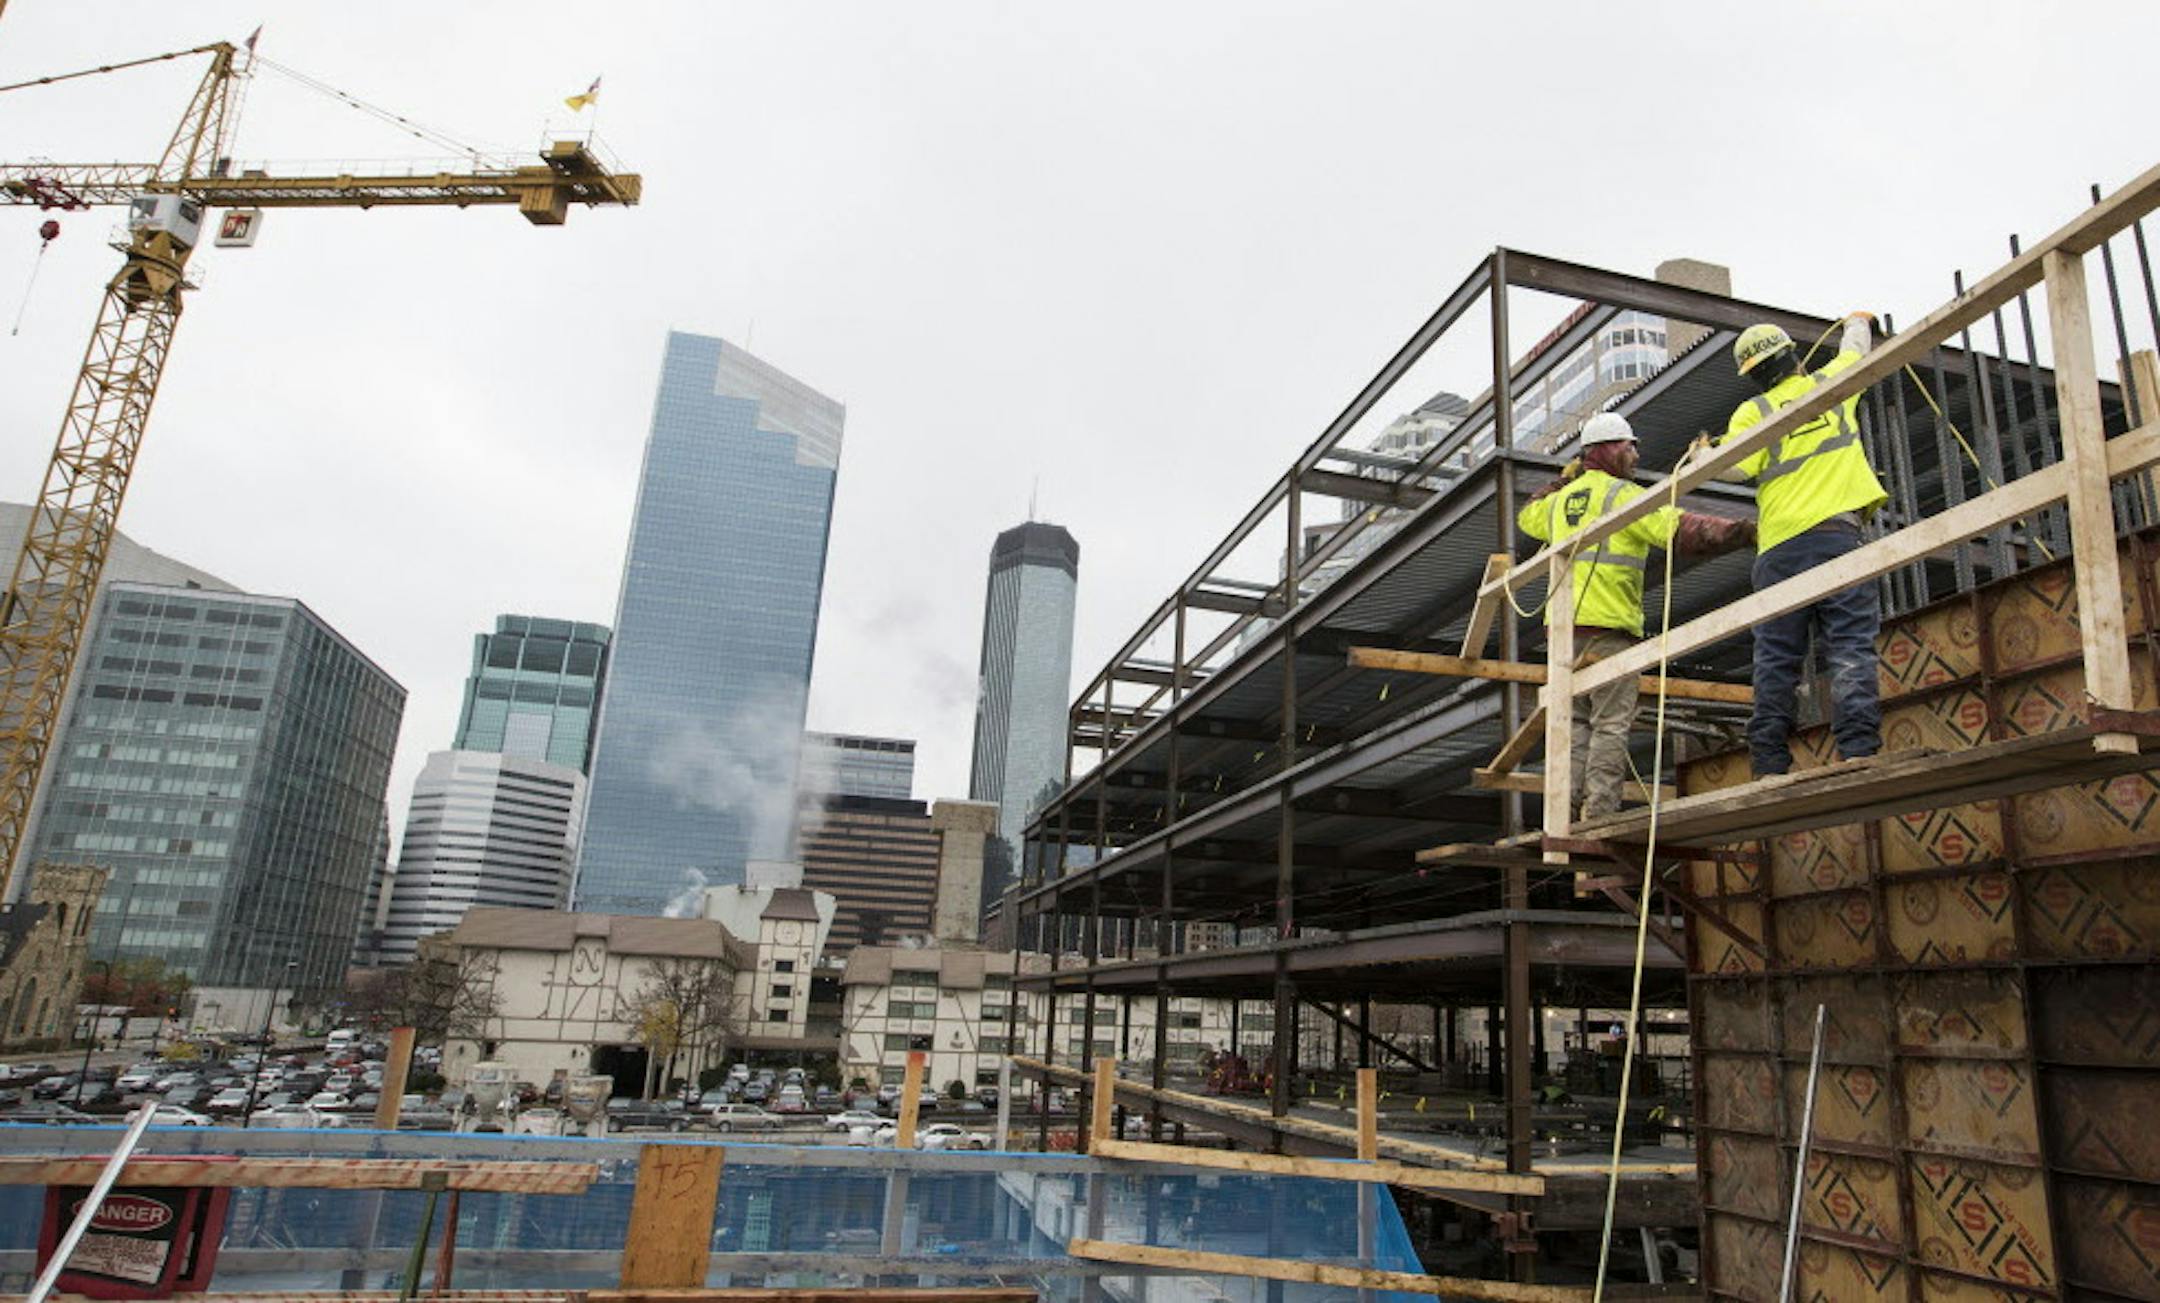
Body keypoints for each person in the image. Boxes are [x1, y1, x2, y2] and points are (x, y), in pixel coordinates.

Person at [1519, 412, 1754, 820]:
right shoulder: (1621, 496)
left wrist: (1564, 479)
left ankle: (1563, 809)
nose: (1635, 453)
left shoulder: (1559, 504)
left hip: (1563, 635)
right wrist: (1745, 532)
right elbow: (1682, 529)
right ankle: (1599, 812)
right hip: (1610, 629)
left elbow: (1528, 513)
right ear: (1608, 449)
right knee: (1610, 723)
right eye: (1628, 445)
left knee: (1575, 722)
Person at [1716, 312, 1887, 776]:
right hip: (1835, 536)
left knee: (1777, 657)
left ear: (1752, 375)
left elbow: (1731, 467)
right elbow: (1856, 351)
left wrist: (1703, 456)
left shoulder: (1752, 413)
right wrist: (1859, 319)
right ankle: (1857, 750)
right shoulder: (1829, 384)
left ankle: (1769, 761)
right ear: (1792, 356)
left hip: (1778, 551)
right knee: (1850, 645)